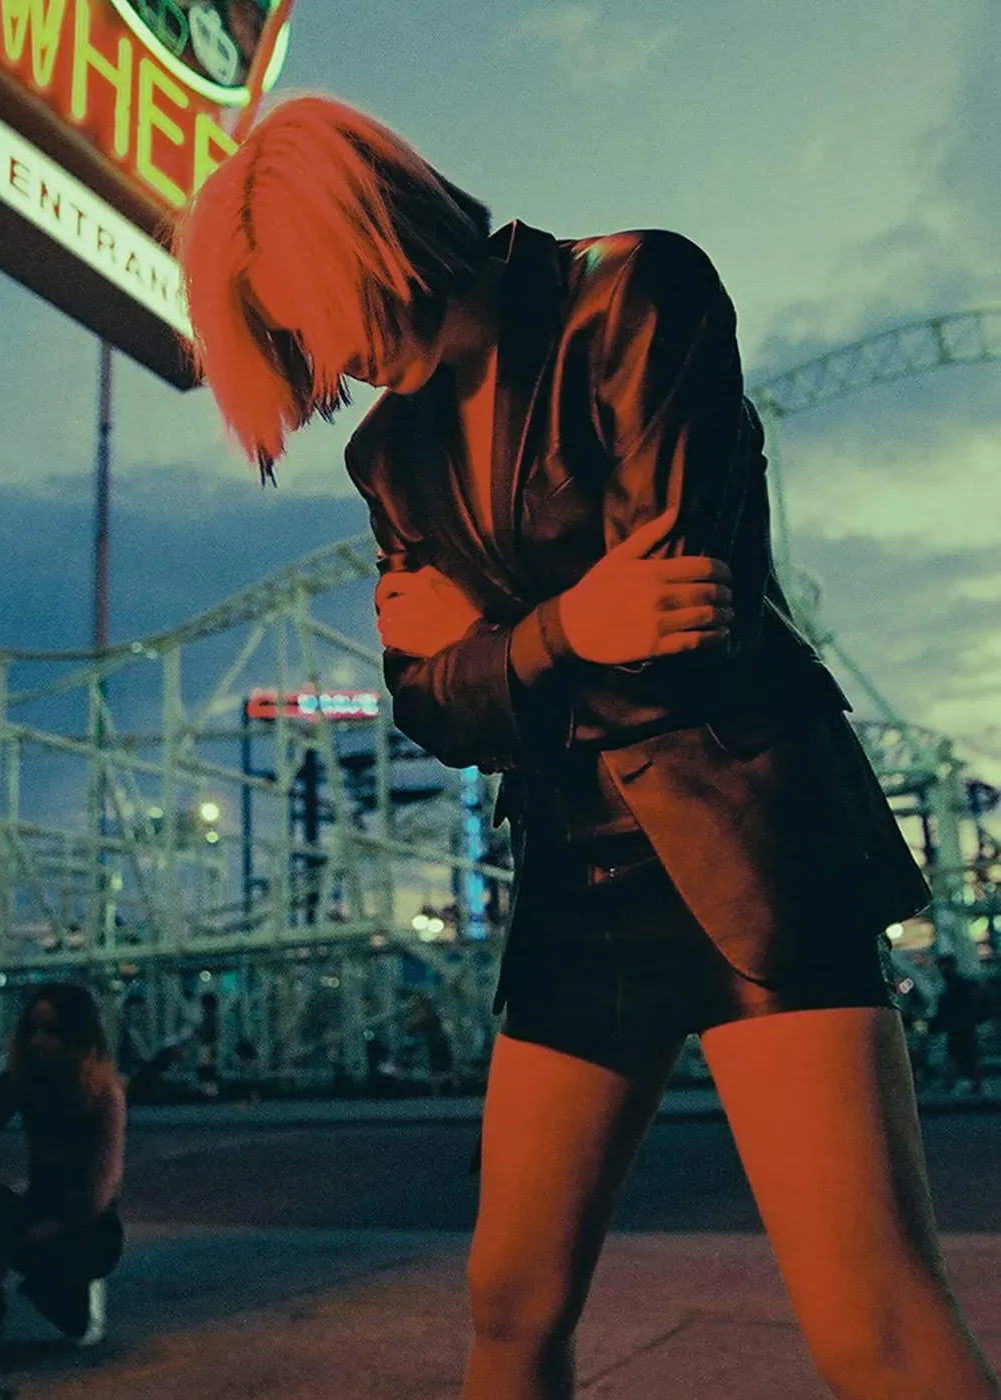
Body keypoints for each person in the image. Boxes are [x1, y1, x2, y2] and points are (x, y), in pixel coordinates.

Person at [174, 95, 1000, 1399]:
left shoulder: (634, 296)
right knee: (507, 1298)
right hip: (578, 872)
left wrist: (488, 637)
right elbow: (431, 708)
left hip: (745, 846)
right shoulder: (390, 455)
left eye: (309, 313)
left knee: (873, 1323)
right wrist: (564, 627)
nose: (321, 357)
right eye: (286, 338)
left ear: (371, 235)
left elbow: (681, 624)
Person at [0, 983, 126, 1353]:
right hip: (37, 1211)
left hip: (88, 1230)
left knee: (69, 1319)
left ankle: (84, 1299)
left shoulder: (105, 1093)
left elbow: (103, 1186)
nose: (37, 1040)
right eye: (32, 1029)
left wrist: (49, 1228)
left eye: (51, 1031)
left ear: (76, 1035)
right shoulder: (23, 1082)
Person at [932, 954, 988, 1096]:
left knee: (961, 1054)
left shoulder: (952, 986)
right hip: (962, 1026)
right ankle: (972, 1082)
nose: (942, 969)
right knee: (964, 1055)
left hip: (961, 1026)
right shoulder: (959, 984)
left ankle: (959, 1082)